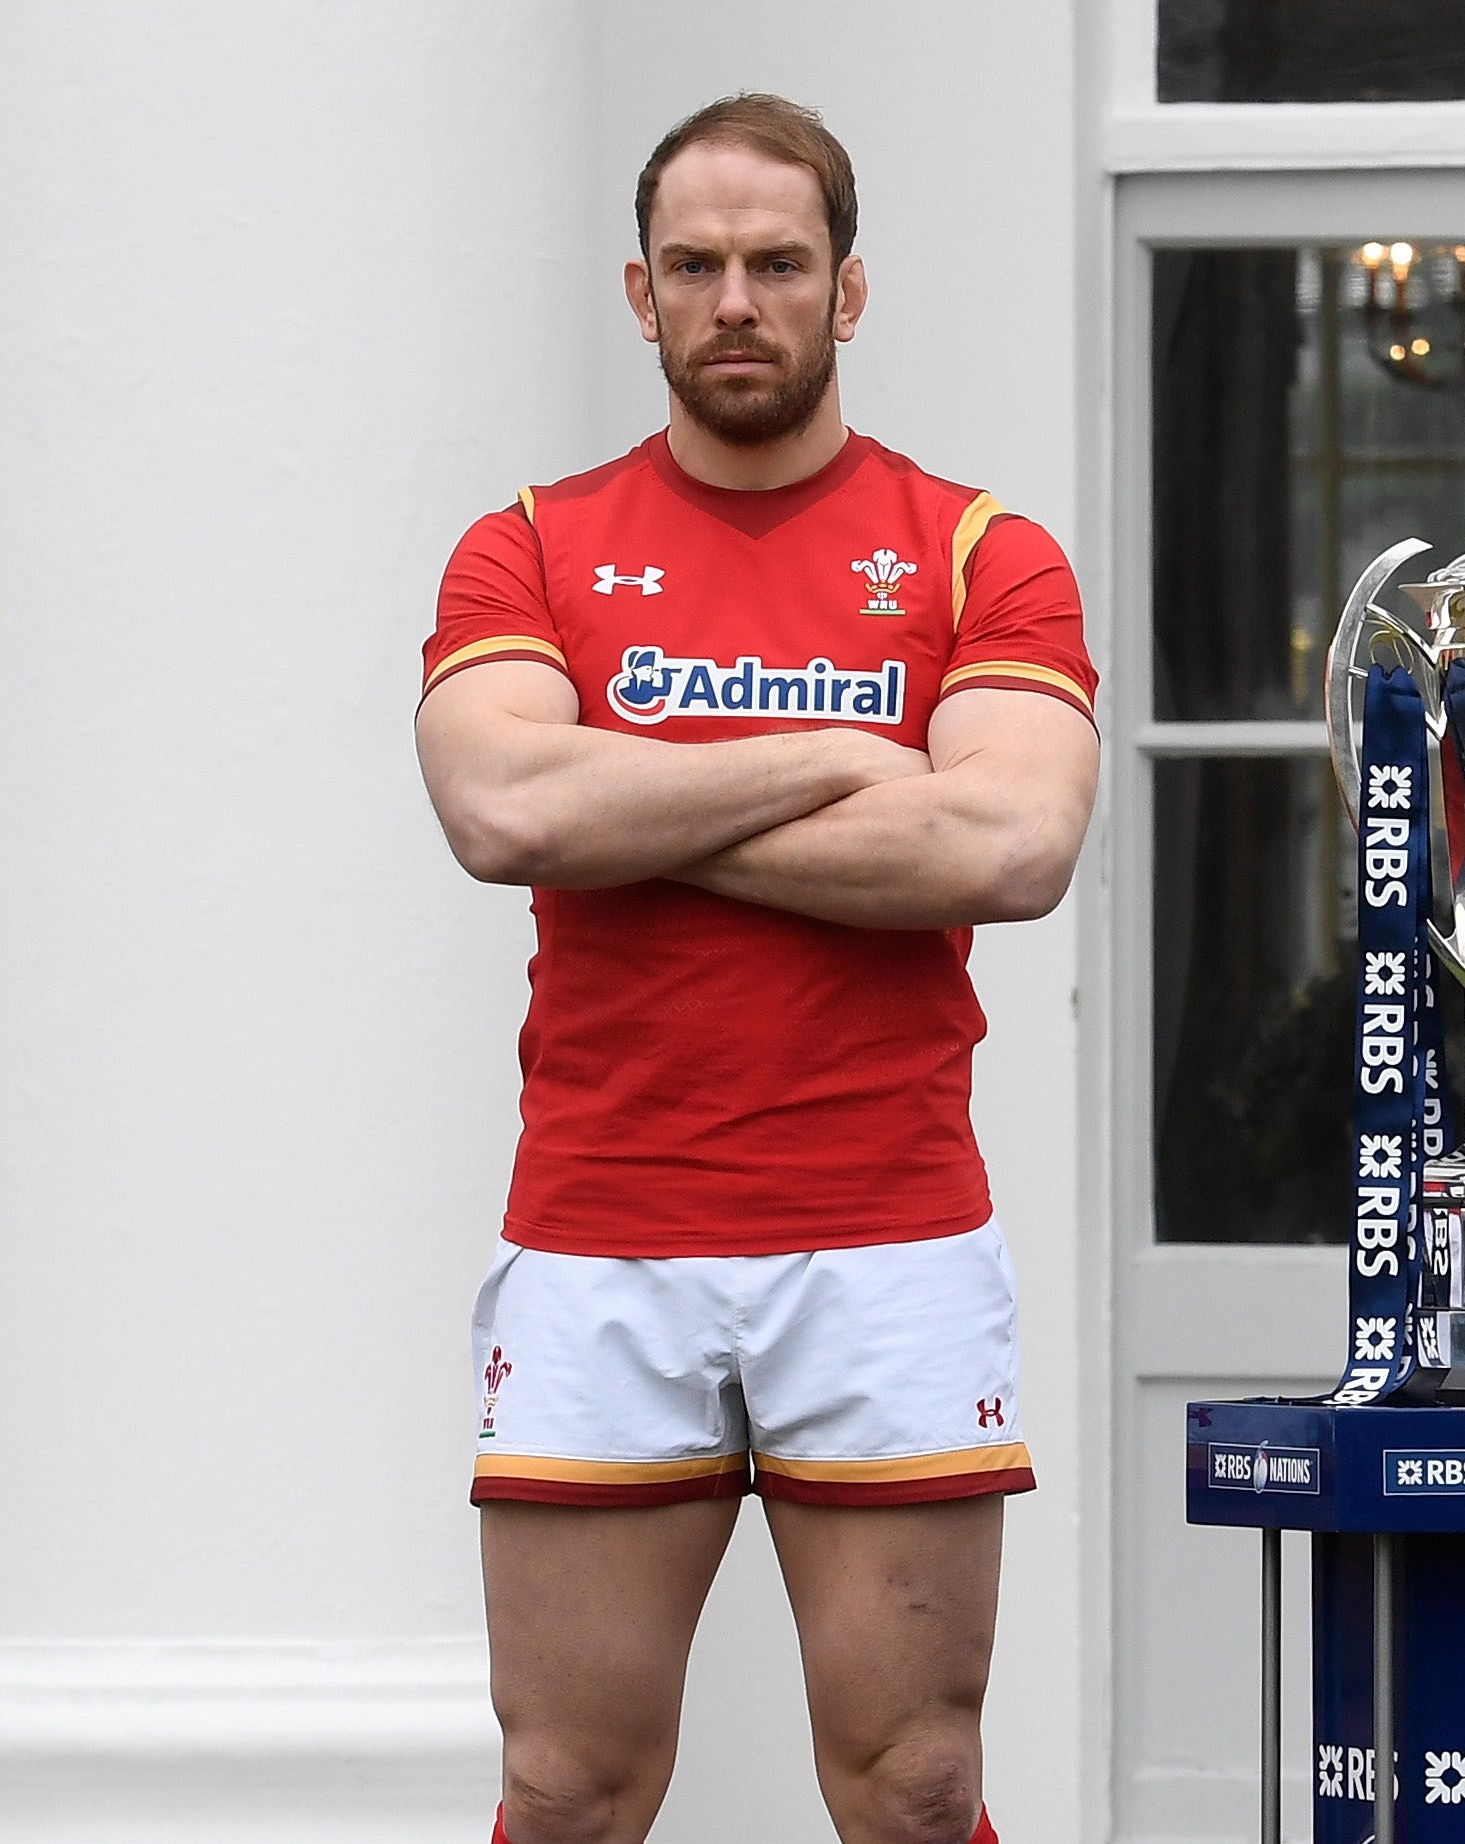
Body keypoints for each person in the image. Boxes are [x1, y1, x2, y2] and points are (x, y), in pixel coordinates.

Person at [414, 92, 1098, 1844]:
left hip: (887, 1234)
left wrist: (628, 801)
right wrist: (841, 762)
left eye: (779, 264)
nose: (737, 301)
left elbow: (1009, 846)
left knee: (919, 1785)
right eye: (697, 265)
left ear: (847, 290)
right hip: (602, 1229)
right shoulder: (531, 545)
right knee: (566, 1788)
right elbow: (500, 808)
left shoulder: (980, 553)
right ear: (639, 293)